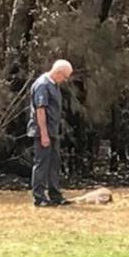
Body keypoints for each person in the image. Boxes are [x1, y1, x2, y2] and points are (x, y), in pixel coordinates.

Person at [26, 59, 73, 207]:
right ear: (58, 72)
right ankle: (39, 197)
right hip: (42, 131)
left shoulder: (54, 85)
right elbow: (40, 111)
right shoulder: (42, 85)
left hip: (53, 131)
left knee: (54, 163)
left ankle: (55, 195)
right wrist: (44, 134)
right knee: (42, 164)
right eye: (65, 77)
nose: (65, 80)